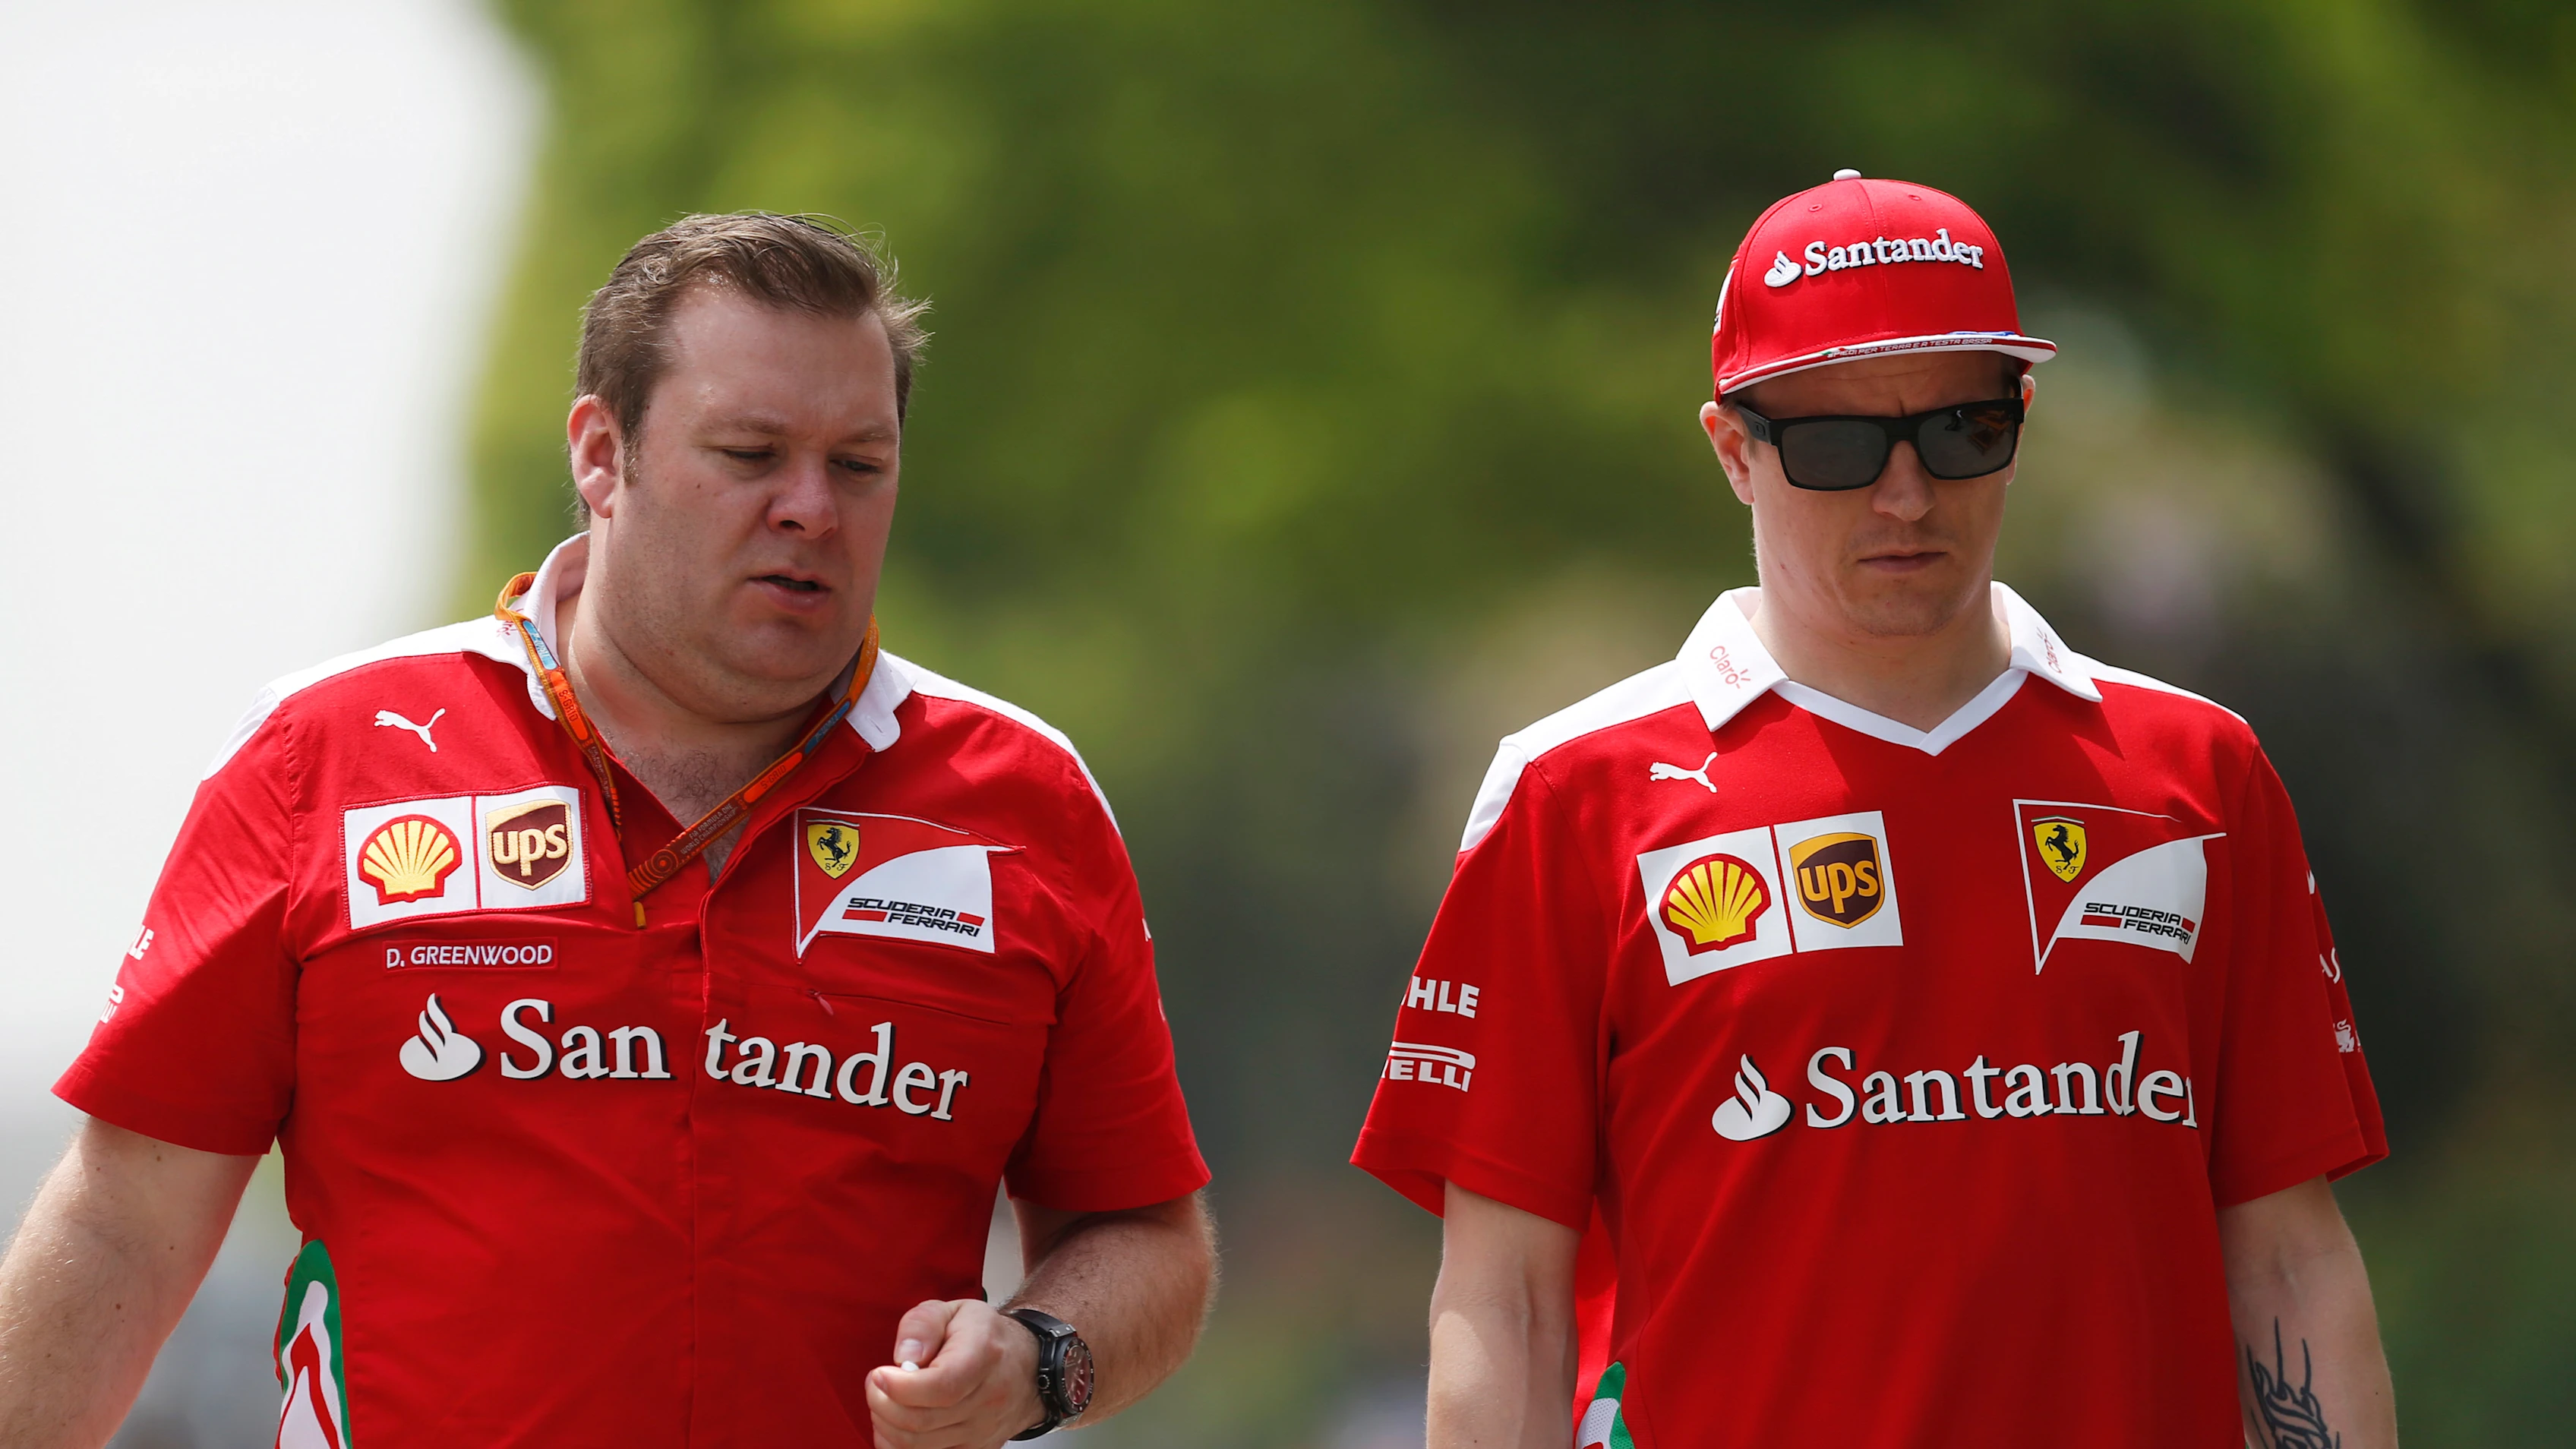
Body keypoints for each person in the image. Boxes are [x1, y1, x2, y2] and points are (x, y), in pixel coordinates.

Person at [0, 213, 1214, 1448]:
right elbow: (123, 1222)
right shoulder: (323, 757)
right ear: (600, 452)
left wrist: (1034, 1358)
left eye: (860, 464)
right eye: (749, 453)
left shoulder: (1027, 803)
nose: (811, 508)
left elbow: (1147, 1237)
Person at [1352, 173, 2394, 1448]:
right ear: (1734, 452)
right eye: (1839, 448)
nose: (1907, 495)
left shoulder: (2199, 772)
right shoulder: (1574, 793)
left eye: (1960, 432)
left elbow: (2290, 1262)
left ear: (2021, 421)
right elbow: (1505, 1304)